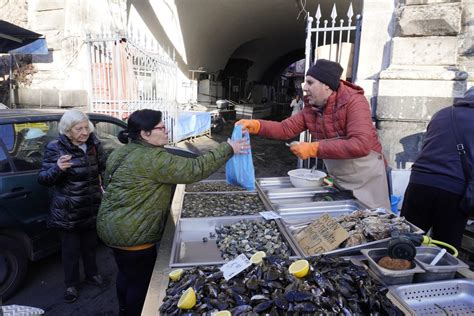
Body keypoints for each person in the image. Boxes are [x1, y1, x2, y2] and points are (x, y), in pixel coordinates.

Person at [96, 109, 249, 316]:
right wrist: (227, 148)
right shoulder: (152, 158)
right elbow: (194, 169)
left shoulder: (121, 151)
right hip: (133, 236)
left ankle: (123, 309)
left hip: (110, 226)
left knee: (125, 275)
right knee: (140, 284)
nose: (167, 130)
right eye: (161, 127)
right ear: (144, 134)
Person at [237, 59, 390, 210]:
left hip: (368, 180)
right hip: (340, 180)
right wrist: (256, 125)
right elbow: (285, 129)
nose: (304, 88)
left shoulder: (354, 101)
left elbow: (360, 144)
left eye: (310, 83)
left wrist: (313, 149)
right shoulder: (312, 108)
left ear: (326, 85)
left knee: (373, 223)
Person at [38, 110, 105, 303]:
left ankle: (92, 275)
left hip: (91, 207)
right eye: (79, 129)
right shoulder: (56, 148)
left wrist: (104, 189)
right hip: (68, 212)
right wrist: (57, 168)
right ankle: (71, 285)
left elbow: (102, 169)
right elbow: (43, 179)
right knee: (70, 252)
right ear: (68, 130)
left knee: (90, 247)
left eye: (86, 127)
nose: (84, 132)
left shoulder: (94, 144)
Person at [400, 87, 474, 248]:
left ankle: (394, 270)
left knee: (404, 242)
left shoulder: (443, 113)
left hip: (419, 183)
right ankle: (436, 273)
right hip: (454, 190)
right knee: (445, 248)